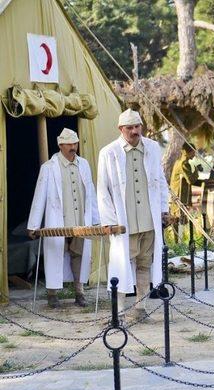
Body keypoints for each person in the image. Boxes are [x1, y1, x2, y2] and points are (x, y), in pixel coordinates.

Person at [97, 109, 170, 322]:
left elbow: (160, 180)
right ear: (121, 129)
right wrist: (110, 221)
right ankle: (118, 311)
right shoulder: (108, 153)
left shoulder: (153, 148)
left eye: (137, 126)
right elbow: (103, 190)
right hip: (124, 221)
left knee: (144, 264)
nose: (135, 131)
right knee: (121, 265)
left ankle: (140, 308)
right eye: (129, 127)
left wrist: (164, 208)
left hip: (148, 220)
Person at [27, 128, 100, 308]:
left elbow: (90, 192)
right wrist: (33, 224)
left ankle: (79, 292)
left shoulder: (84, 165)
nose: (73, 147)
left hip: (80, 222)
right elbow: (40, 196)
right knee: (56, 254)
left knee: (79, 255)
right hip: (58, 221)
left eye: (75, 143)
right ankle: (52, 293)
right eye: (69, 144)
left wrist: (96, 220)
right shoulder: (49, 168)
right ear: (61, 145)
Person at [169, 143, 201, 240]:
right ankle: (178, 243)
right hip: (178, 196)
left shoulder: (178, 162)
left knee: (178, 220)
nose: (194, 155)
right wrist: (196, 170)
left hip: (176, 195)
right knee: (177, 220)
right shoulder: (183, 163)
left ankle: (178, 242)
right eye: (193, 153)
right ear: (187, 152)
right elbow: (190, 180)